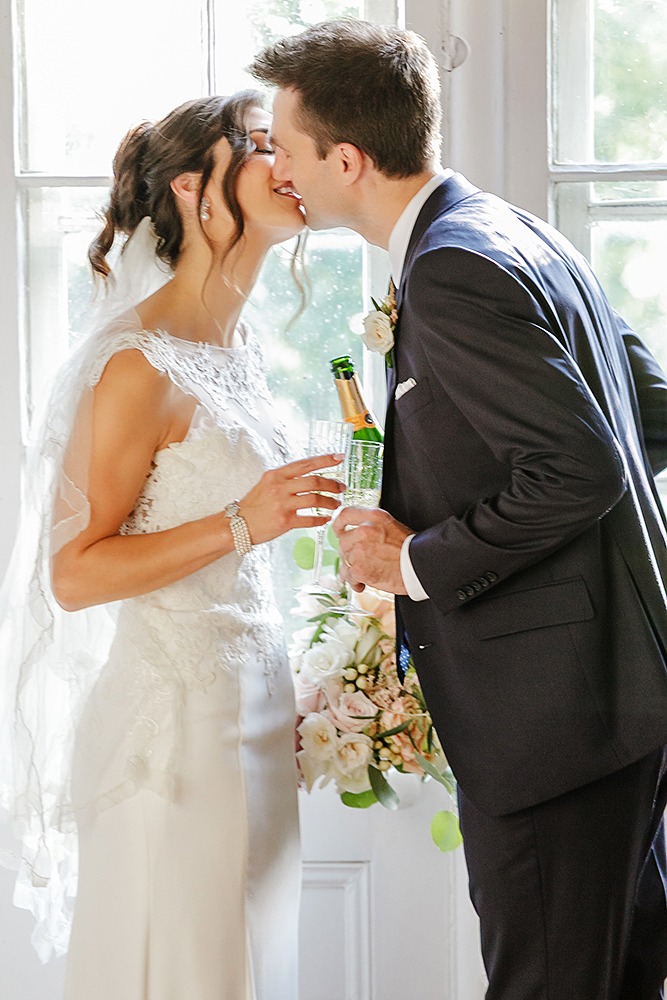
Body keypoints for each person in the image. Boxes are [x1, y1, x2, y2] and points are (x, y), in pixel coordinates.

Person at [250, 20, 667, 999]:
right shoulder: (515, 230)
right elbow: (645, 414)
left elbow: (580, 467)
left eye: (287, 147)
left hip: (554, 725)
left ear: (346, 160)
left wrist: (414, 560)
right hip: (618, 698)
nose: (279, 170)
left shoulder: (451, 266)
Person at [0, 91, 346, 1000]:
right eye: (260, 144)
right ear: (193, 187)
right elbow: (73, 574)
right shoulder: (134, 363)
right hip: (174, 733)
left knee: (251, 966)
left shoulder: (243, 350)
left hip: (256, 710)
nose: (286, 163)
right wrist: (242, 522)